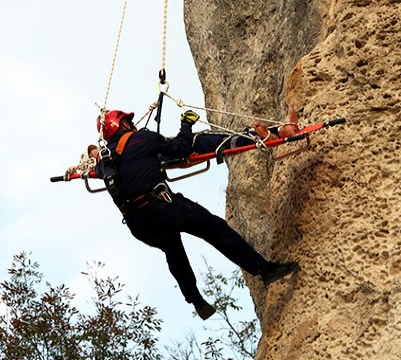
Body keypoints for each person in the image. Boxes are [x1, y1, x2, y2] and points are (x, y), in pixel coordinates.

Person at [94, 109, 299, 320]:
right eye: (128, 121)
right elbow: (182, 148)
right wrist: (186, 125)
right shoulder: (142, 138)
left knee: (173, 251)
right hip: (167, 209)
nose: (133, 123)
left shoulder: (103, 161)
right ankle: (264, 270)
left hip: (141, 226)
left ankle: (196, 301)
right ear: (123, 125)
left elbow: (105, 168)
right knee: (216, 230)